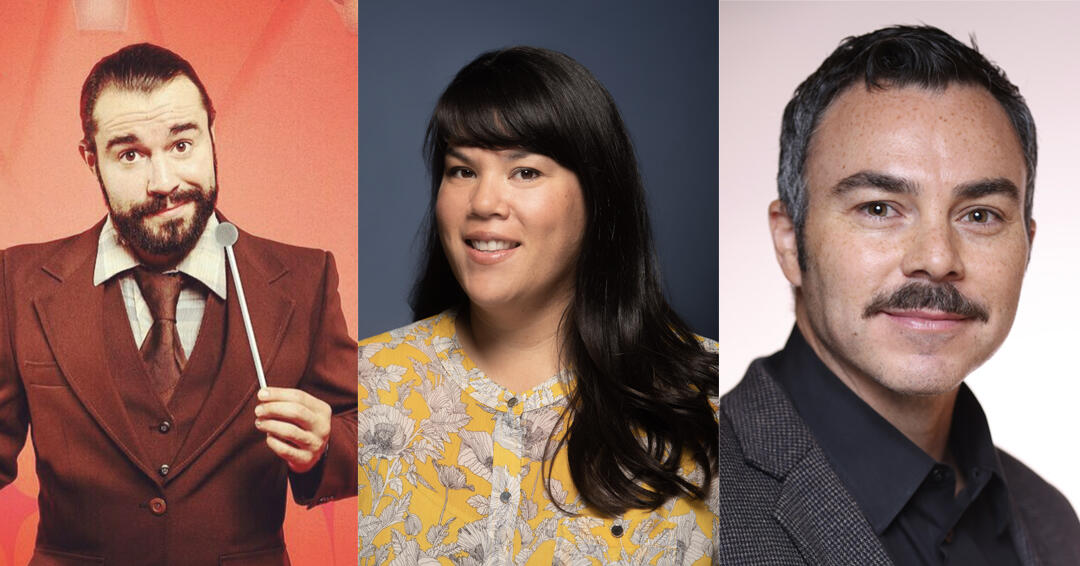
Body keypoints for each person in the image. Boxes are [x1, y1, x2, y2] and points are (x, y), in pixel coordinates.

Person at [717, 25, 1080, 564]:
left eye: (980, 215)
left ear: (1027, 246)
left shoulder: (1051, 521)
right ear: (790, 240)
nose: (937, 258)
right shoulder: (696, 502)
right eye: (879, 208)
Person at [358, 46, 719, 564]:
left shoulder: (713, 405)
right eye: (461, 170)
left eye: (524, 172)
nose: (483, 203)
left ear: (598, 194)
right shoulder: (367, 386)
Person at [0, 43, 357, 564]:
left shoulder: (305, 278)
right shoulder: (19, 280)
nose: (163, 182)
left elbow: (363, 426)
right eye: (130, 154)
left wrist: (327, 445)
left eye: (182, 144)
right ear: (90, 159)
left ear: (212, 136)